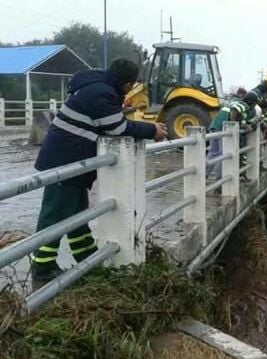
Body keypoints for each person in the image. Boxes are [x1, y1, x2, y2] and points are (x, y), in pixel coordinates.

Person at [31, 59, 168, 284]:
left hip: (70, 161)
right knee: (54, 215)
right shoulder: (102, 93)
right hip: (64, 162)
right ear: (127, 83)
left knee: (77, 216)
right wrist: (151, 130)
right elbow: (117, 128)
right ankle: (42, 268)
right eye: (131, 85)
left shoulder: (98, 88)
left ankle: (87, 259)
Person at [206, 92, 257, 179]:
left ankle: (205, 173)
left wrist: (244, 125)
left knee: (213, 153)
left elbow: (239, 117)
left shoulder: (234, 102)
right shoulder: (244, 105)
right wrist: (232, 124)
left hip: (214, 126)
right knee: (224, 154)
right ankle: (220, 177)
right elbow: (235, 110)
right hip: (224, 129)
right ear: (251, 102)